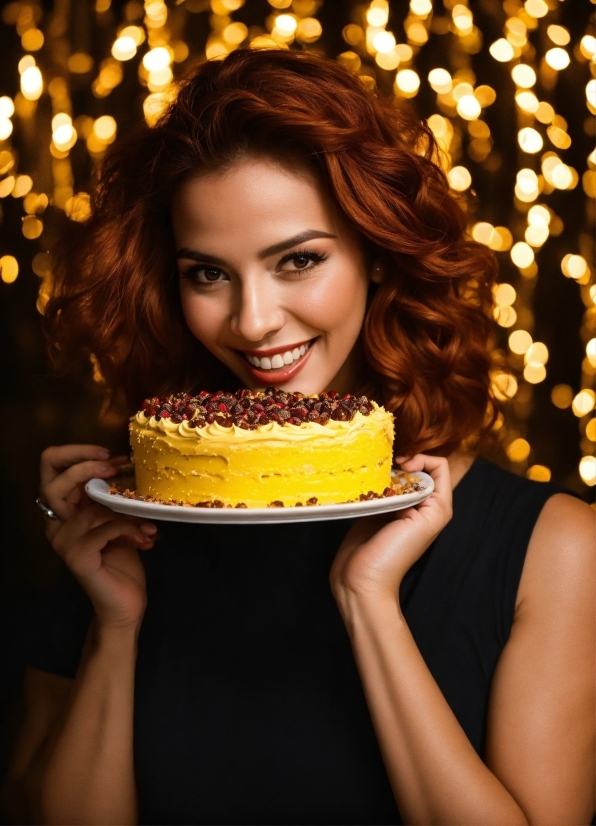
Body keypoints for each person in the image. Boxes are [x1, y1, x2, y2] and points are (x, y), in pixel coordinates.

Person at [3, 49, 594, 825]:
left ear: (378, 253)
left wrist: (367, 600)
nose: (252, 322)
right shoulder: (126, 518)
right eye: (207, 273)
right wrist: (113, 624)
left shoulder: (554, 550)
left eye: (299, 260)